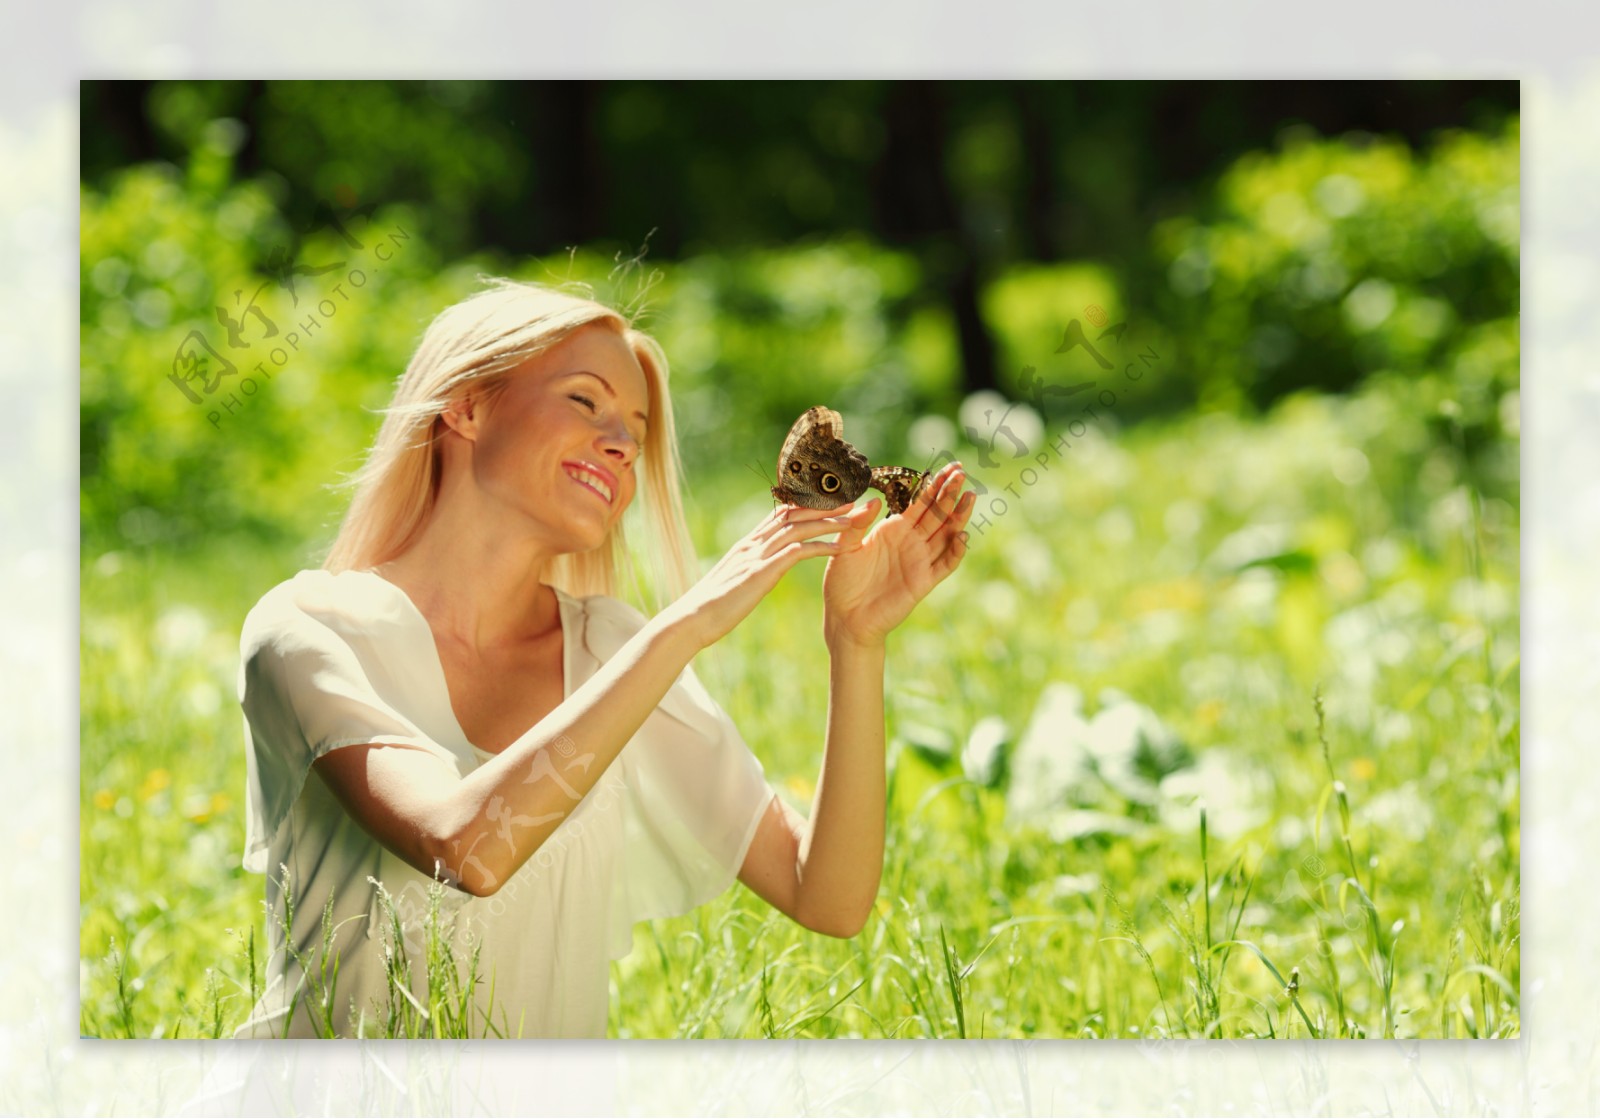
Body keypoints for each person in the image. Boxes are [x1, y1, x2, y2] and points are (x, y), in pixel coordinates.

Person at [230, 277, 975, 1038]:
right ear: (466, 404)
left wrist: (856, 642)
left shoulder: (609, 651)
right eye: (584, 401)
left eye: (637, 432)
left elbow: (830, 896)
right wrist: (685, 624)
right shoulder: (309, 630)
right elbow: (466, 851)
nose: (621, 444)